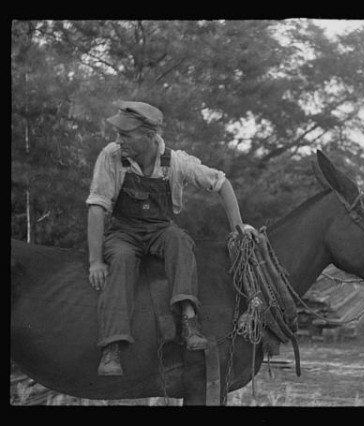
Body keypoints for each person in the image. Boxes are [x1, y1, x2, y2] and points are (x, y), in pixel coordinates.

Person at [87, 101, 256, 376]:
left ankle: (189, 323)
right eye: (118, 134)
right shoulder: (112, 156)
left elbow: (221, 183)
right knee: (121, 260)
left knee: (180, 240)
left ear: (150, 136)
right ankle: (111, 348)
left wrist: (237, 230)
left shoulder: (176, 162)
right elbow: (97, 206)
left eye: (126, 135)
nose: (118, 140)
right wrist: (95, 260)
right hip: (123, 233)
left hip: (159, 229)